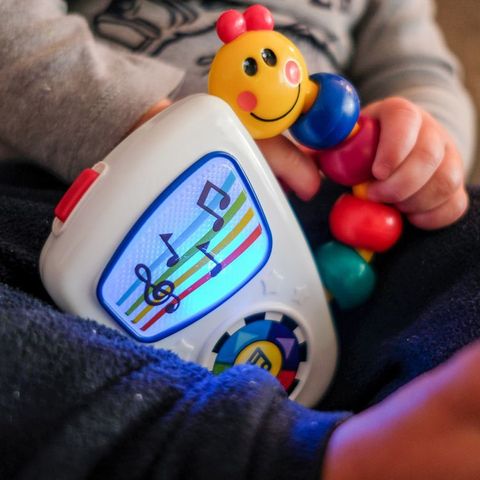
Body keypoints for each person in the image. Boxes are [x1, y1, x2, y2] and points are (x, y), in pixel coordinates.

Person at [0, 1, 479, 479]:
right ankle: (313, 458)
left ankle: (408, 433)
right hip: (77, 198)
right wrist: (148, 121)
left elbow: (417, 71)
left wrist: (416, 153)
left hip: (327, 220)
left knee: (463, 240)